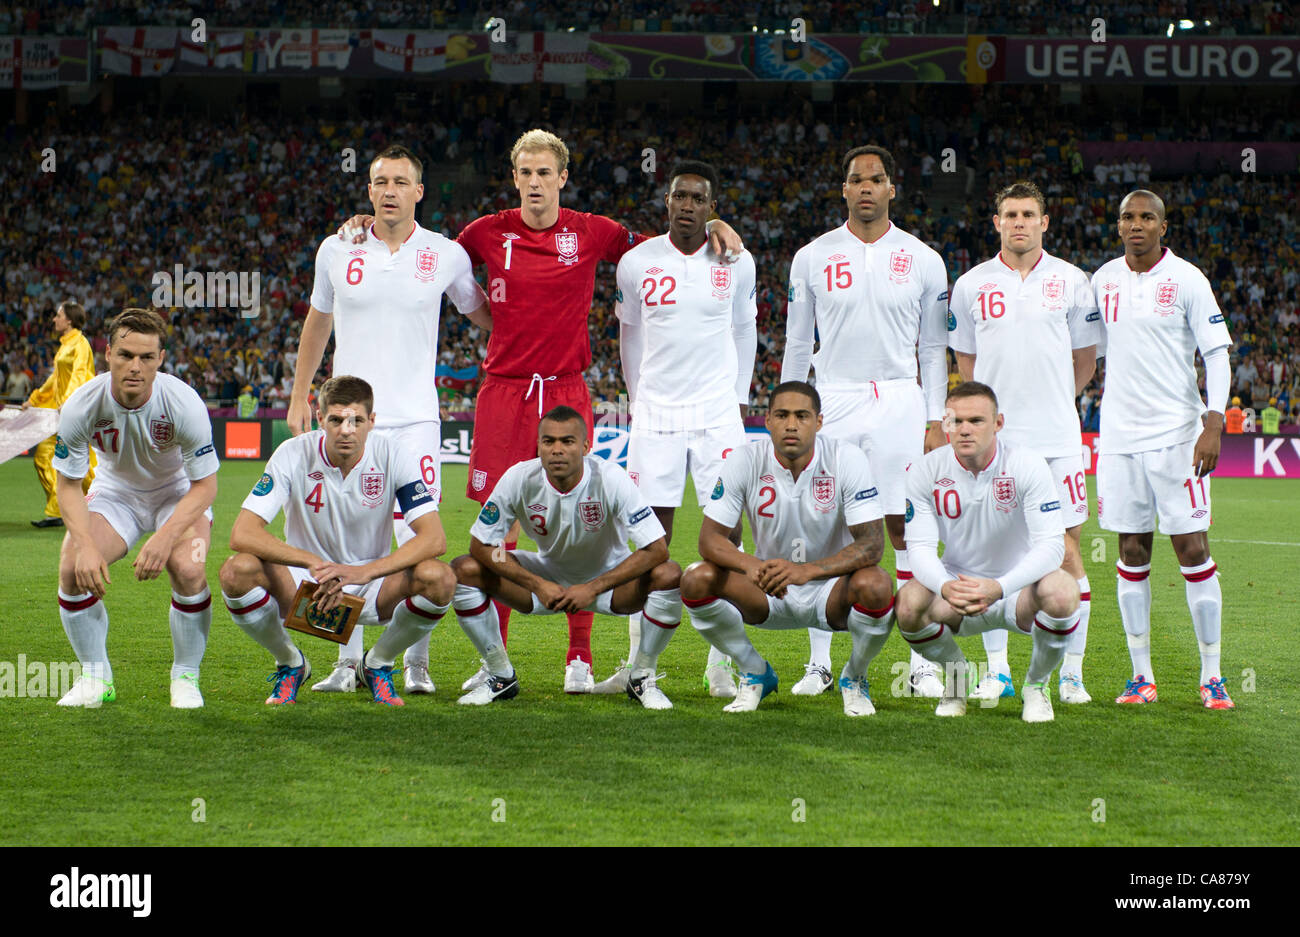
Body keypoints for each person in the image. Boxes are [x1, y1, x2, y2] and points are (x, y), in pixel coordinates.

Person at [340, 129, 742, 694]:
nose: (534, 182)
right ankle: (495, 664)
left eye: (544, 173)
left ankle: (580, 659)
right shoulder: (483, 233)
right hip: (503, 393)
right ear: (514, 178)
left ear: (562, 178)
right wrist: (361, 226)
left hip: (565, 391)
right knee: (495, 532)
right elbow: (418, 247)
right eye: (524, 173)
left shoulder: (592, 231)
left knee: (583, 521)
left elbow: (666, 245)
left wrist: (713, 228)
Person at [290, 144, 489, 697]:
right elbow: (317, 323)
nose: (390, 191)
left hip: (415, 422)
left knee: (415, 542)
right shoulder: (337, 248)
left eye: (402, 182)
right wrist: (299, 395)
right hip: (350, 421)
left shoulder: (445, 254)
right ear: (369, 190)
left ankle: (411, 664)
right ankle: (345, 662)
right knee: (345, 542)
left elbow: (484, 317)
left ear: (419, 191)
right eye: (381, 182)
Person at [780, 144, 949, 699]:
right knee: (824, 525)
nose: (867, 188)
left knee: (904, 526)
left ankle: (921, 652)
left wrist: (933, 419)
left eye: (877, 179)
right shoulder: (812, 256)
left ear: (891, 188)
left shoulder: (923, 258)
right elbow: (799, 341)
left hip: (900, 398)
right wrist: (789, 408)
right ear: (844, 189)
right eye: (857, 180)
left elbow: (931, 347)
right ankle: (820, 661)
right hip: (834, 397)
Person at [597, 159, 757, 700]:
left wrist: (734, 403)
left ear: (712, 207)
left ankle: (722, 664)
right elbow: (630, 338)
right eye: (678, 196)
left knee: (726, 538)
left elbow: (744, 332)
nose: (687, 205)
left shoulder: (737, 260)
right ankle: (640, 666)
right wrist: (640, 401)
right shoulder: (637, 262)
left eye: (698, 198)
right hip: (657, 415)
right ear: (666, 202)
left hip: (717, 416)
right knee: (649, 540)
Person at [948, 180, 1100, 704]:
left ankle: (1072, 672)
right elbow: (967, 367)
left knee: (1068, 549)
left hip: (1057, 439)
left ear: (1044, 221)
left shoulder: (1073, 281)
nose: (1019, 222)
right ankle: (999, 670)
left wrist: (1055, 400)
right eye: (1009, 213)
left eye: (1028, 213)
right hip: (996, 445)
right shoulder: (970, 284)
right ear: (996, 222)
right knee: (990, 549)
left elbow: (1085, 360)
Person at [221, 376, 456, 706]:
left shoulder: (393, 454)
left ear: (372, 422)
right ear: (320, 418)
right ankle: (291, 663)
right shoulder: (292, 453)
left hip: (370, 586)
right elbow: (242, 533)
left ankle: (377, 663)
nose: (346, 430)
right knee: (237, 571)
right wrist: (312, 563)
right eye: (336, 420)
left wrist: (365, 571)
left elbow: (434, 538)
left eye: (357, 420)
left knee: (439, 578)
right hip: (307, 585)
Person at [1091, 189, 1235, 710]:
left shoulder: (1187, 279)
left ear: (1163, 227)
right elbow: (1087, 353)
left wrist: (1212, 422)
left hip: (1178, 436)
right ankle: (1140, 677)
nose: (1136, 225)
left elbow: (1216, 353)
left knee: (1193, 551)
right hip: (1120, 440)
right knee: (1131, 553)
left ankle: (1213, 676)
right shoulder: (1102, 280)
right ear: (1119, 226)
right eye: (1128, 217)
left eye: (1146, 217)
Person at [680, 381, 895, 715]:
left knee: (878, 584)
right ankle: (754, 671)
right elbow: (709, 539)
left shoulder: (845, 458)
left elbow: (872, 545)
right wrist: (751, 566)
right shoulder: (746, 459)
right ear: (767, 421)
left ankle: (854, 677)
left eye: (802, 416)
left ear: (819, 422)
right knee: (695, 578)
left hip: (829, 592)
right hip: (767, 588)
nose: (791, 424)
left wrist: (805, 571)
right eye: (781, 415)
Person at [449, 406, 683, 710]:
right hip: (546, 577)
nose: (557, 450)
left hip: (609, 582)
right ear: (539, 445)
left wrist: (592, 587)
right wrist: (536, 583)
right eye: (548, 442)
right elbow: (482, 545)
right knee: (465, 569)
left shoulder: (610, 478)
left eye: (568, 441)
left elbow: (656, 548)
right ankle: (499, 674)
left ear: (586, 447)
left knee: (669, 574)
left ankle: (641, 677)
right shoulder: (519, 477)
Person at [50, 308, 219, 709]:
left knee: (189, 568)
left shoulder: (183, 402)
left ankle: (185, 677)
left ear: (161, 359)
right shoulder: (81, 405)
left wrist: (165, 538)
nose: (135, 367)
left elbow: (205, 485)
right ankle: (95, 677)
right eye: (126, 355)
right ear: (108, 353)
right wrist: (86, 544)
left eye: (146, 357)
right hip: (116, 494)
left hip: (176, 494)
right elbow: (68, 484)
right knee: (73, 567)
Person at [896, 382, 1080, 722]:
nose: (965, 429)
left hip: (1018, 592)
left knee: (1064, 590)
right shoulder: (925, 471)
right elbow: (919, 548)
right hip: (958, 590)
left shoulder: (1027, 464)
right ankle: (955, 679)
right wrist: (944, 585)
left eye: (976, 421)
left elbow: (1052, 546)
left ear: (998, 423)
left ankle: (1036, 687)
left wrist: (1000, 587)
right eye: (955, 421)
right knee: (907, 603)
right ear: (945, 424)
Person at [24, 301, 97, 528]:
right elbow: (55, 379)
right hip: (60, 413)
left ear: (70, 320)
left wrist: (67, 402)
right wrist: (34, 399)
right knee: (43, 455)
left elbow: (80, 374)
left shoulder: (81, 344)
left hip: (75, 413)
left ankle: (101, 506)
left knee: (84, 466)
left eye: (58, 315)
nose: (54, 319)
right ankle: (56, 510)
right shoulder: (64, 346)